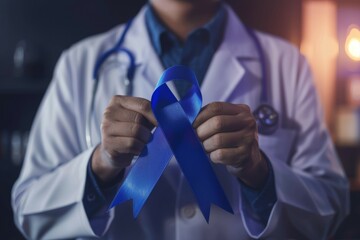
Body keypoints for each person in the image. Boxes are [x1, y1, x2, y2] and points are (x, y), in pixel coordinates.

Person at [12, 0, 349, 239]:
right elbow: (30, 211)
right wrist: (100, 166)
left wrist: (257, 172)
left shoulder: (288, 64)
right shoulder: (80, 64)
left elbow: (329, 210)